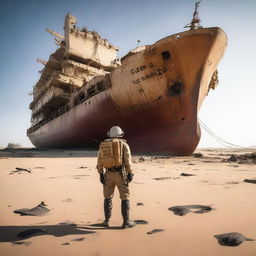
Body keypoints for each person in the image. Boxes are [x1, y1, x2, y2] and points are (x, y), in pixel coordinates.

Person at [97, 126, 135, 228]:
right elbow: (128, 161)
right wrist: (130, 173)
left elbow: (99, 161)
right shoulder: (124, 145)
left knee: (107, 197)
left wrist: (101, 174)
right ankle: (126, 222)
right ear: (121, 134)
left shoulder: (103, 145)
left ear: (109, 134)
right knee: (125, 197)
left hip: (108, 174)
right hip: (120, 174)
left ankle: (106, 221)